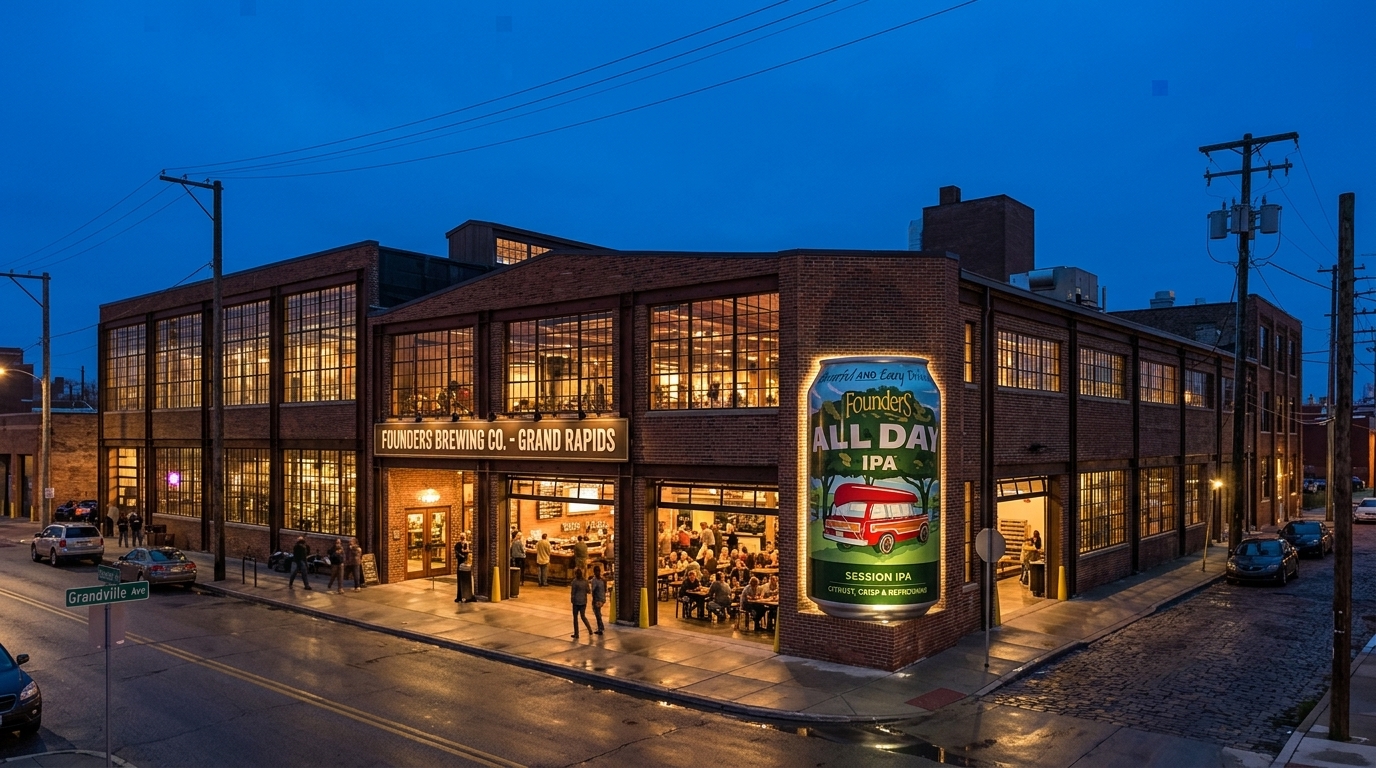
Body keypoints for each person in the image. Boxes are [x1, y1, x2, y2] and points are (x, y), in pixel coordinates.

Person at [570, 567, 594, 639]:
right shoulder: (585, 581)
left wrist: (572, 599)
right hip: (583, 601)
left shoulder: (574, 582)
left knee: (575, 618)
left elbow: (573, 593)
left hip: (576, 602)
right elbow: (588, 591)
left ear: (576, 574)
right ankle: (590, 630)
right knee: (583, 616)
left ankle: (576, 634)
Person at [589, 564, 607, 635]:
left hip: (597, 599)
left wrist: (593, 599)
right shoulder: (603, 579)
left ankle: (600, 628)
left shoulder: (594, 580)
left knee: (597, 613)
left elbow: (593, 590)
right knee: (598, 612)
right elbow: (605, 589)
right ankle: (601, 627)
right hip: (602, 598)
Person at [454, 533, 471, 602]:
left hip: (466, 563)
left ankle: (467, 595)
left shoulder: (467, 544)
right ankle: (460, 596)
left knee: (466, 579)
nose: (463, 538)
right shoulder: (458, 545)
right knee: (460, 579)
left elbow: (468, 551)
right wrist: (462, 555)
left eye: (463, 536)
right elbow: (457, 553)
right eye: (461, 536)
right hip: (460, 563)